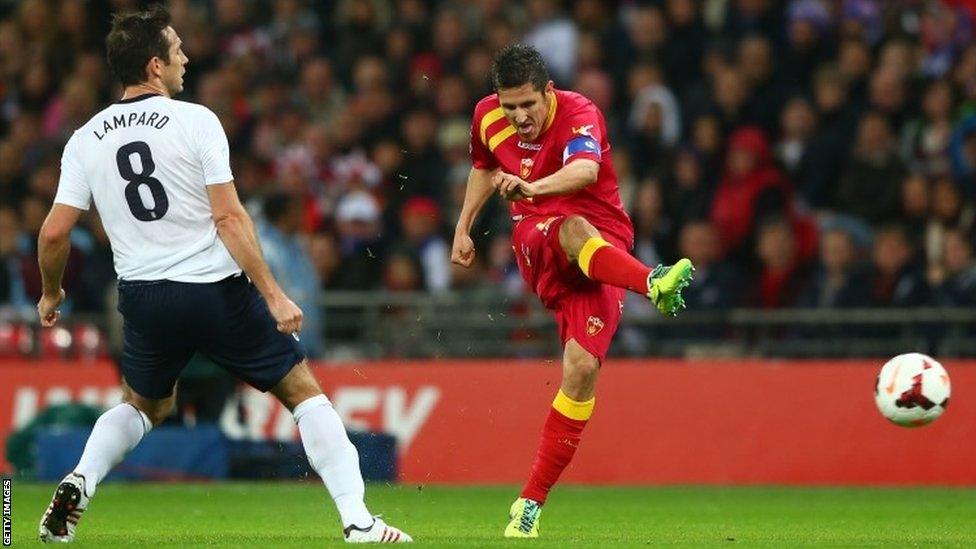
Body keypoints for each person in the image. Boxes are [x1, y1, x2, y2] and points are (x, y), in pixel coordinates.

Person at [35, 6, 410, 544]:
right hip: (213, 291)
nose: (185, 56)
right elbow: (230, 217)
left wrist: (51, 293)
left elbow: (52, 234)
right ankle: (358, 521)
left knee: (144, 405)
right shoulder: (195, 120)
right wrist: (275, 295)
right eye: (176, 49)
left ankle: (80, 480)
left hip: (141, 296)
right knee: (303, 392)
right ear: (154, 65)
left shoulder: (84, 139)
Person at [451, 44, 694, 538]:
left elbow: (585, 171)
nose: (519, 116)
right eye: (509, 106)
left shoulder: (581, 111)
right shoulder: (484, 117)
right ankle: (652, 281)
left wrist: (532, 187)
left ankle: (528, 506)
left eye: (528, 105)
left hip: (606, 246)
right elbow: (482, 167)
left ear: (547, 91)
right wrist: (463, 227)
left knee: (581, 370)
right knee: (571, 226)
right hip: (538, 238)